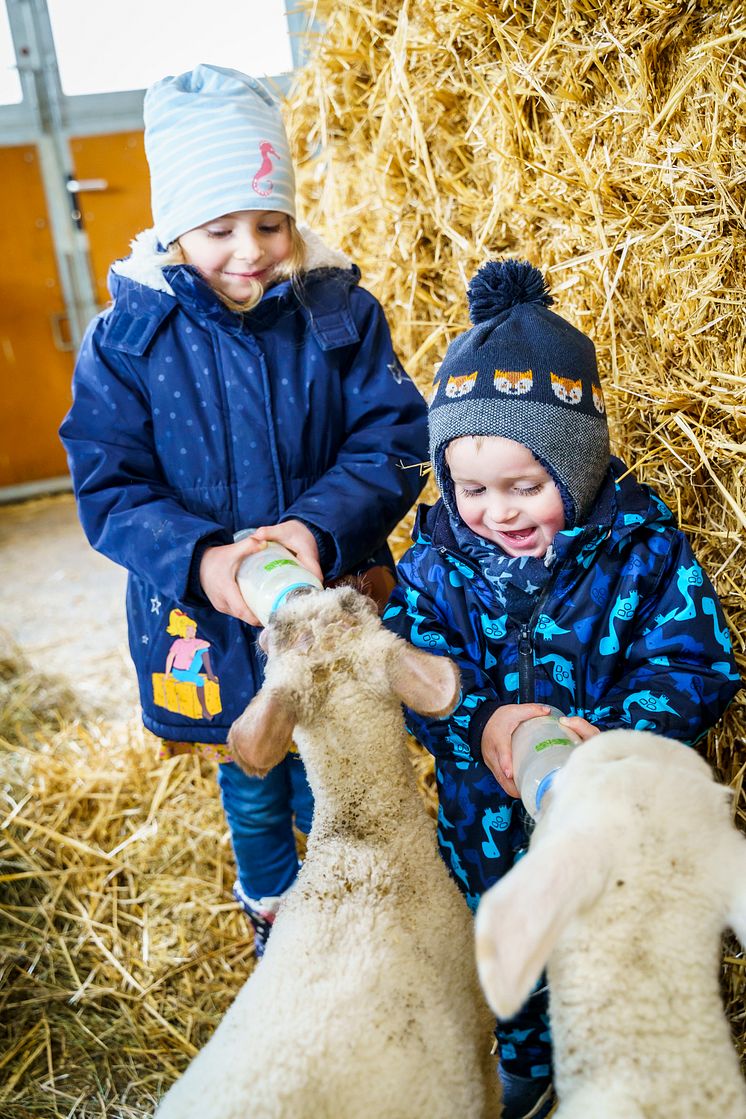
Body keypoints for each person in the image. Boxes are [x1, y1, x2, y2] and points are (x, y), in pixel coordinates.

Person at [60, 63, 428, 956]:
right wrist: (205, 561)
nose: (249, 250)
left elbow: (396, 437)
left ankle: (358, 911)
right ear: (174, 226)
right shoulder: (130, 338)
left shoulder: (337, 312)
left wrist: (313, 527)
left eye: (270, 222)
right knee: (253, 772)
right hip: (212, 618)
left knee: (338, 763)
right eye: (219, 227)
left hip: (326, 595)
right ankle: (273, 911)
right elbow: (109, 483)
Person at [382, 258, 741, 1119]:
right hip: (487, 823)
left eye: (525, 485)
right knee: (513, 944)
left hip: (615, 821)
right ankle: (528, 1060)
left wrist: (610, 736)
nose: (497, 511)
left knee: (623, 948)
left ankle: (625, 1072)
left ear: (577, 470)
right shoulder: (434, 567)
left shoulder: (643, 554)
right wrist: (482, 720)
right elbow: (419, 677)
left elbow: (698, 665)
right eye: (471, 488)